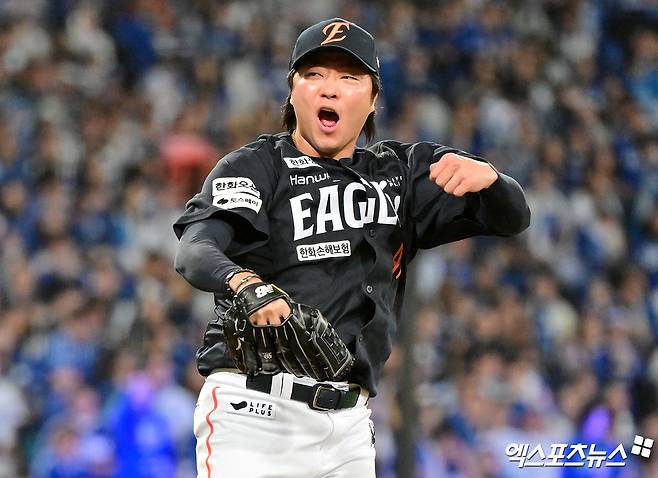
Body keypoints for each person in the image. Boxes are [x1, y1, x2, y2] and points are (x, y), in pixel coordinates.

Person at [173, 17, 530, 478]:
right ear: (293, 91)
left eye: (348, 77)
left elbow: (513, 218)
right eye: (314, 74)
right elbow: (196, 248)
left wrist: (494, 181)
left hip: (350, 428)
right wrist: (245, 283)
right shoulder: (257, 168)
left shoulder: (400, 174)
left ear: (373, 98)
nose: (330, 88)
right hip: (256, 415)